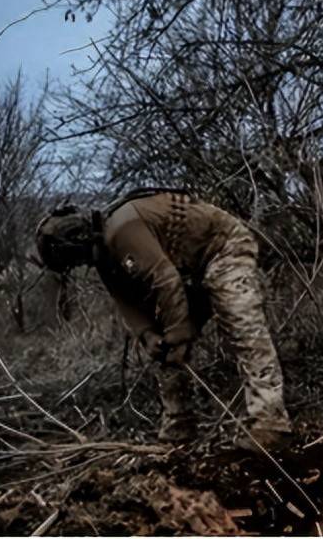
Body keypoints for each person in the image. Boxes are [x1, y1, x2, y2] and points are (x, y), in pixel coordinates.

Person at [34, 188, 292, 449]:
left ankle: (270, 422)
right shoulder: (104, 252)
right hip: (188, 271)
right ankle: (179, 425)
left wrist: (178, 332)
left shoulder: (122, 229)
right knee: (164, 350)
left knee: (244, 328)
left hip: (223, 247)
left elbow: (165, 280)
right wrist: (149, 334)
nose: (81, 265)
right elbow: (126, 301)